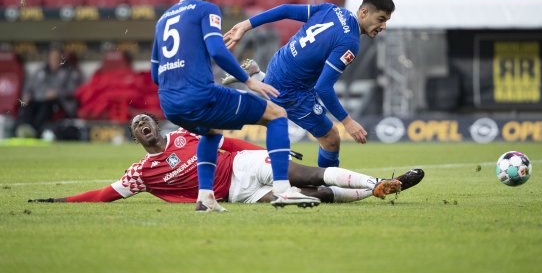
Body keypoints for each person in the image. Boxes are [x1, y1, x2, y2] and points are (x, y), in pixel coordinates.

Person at [151, 0, 319, 212]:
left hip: (170, 104)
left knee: (211, 131)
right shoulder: (206, 9)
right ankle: (283, 190)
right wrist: (249, 80)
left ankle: (205, 198)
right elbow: (218, 51)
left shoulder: (162, 20)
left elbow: (155, 72)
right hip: (199, 95)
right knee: (277, 114)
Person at [28, 113, 422, 205]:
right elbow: (102, 196)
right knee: (313, 195)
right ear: (135, 137)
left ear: (156, 126)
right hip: (239, 195)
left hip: (244, 166)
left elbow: (229, 145)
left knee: (310, 172)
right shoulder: (141, 173)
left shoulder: (185, 135)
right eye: (137, 124)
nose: (143, 123)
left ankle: (379, 183)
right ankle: (378, 191)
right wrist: (58, 201)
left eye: (146, 118)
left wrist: (273, 153)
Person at [223, 0, 395, 169]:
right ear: (364, 12)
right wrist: (347, 122)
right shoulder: (350, 42)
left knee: (276, 112)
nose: (383, 26)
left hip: (279, 62)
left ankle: (256, 76)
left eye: (386, 21)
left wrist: (246, 24)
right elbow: (324, 88)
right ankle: (326, 185)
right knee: (331, 138)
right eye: (381, 19)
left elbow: (284, 9)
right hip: (291, 89)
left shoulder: (332, 10)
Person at [15, 46, 83, 139]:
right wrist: (27, 95)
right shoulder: (40, 72)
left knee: (46, 104)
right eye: (52, 58)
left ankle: (36, 131)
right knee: (28, 105)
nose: (54, 60)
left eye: (56, 58)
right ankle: (24, 127)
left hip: (61, 105)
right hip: (38, 102)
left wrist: (58, 93)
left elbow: (76, 91)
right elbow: (28, 88)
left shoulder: (71, 72)